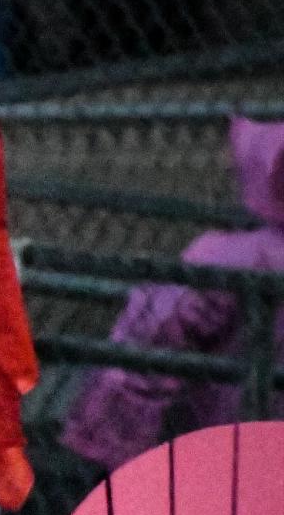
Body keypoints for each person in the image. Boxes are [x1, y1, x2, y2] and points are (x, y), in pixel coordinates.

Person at [63, 116, 284, 472]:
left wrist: (109, 438)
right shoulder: (242, 255)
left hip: (219, 449)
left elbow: (154, 336)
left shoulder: (227, 255)